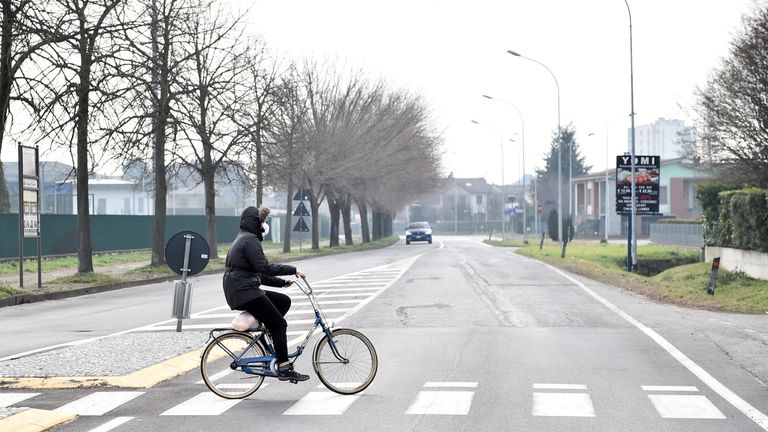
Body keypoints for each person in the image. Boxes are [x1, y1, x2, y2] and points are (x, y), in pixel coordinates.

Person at [223, 205, 309, 382]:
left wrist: (281, 283)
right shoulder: (250, 240)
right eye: (261, 222)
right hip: (244, 291)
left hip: (241, 289)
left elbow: (257, 274)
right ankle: (284, 366)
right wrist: (293, 270)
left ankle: (267, 335)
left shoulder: (244, 238)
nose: (263, 226)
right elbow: (265, 268)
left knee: (283, 301)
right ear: (255, 223)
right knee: (279, 324)